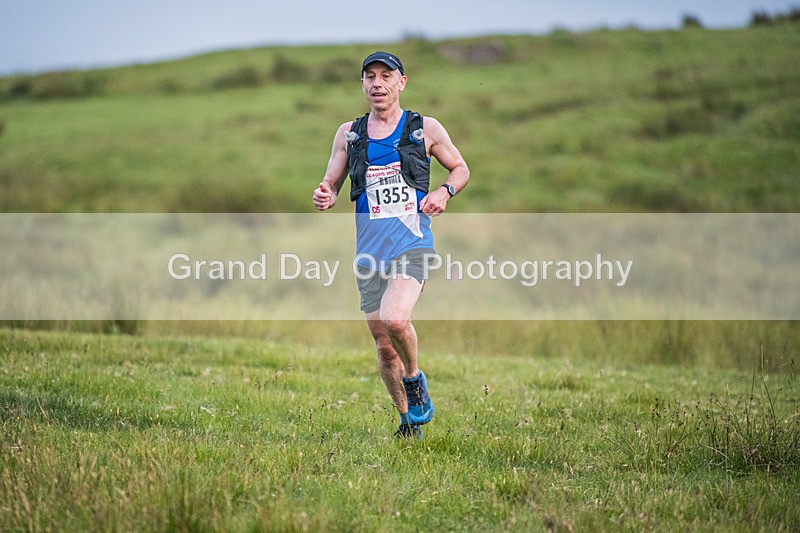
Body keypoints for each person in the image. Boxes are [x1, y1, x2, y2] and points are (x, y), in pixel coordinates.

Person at [313, 51, 469, 439]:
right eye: (370, 77)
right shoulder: (349, 133)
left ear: (402, 82)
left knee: (395, 318)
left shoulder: (424, 128)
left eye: (386, 76)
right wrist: (326, 193)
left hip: (412, 243)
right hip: (369, 251)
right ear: (362, 85)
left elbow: (461, 168)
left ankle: (415, 380)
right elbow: (331, 181)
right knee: (384, 347)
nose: (377, 83)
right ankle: (408, 421)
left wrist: (444, 193)